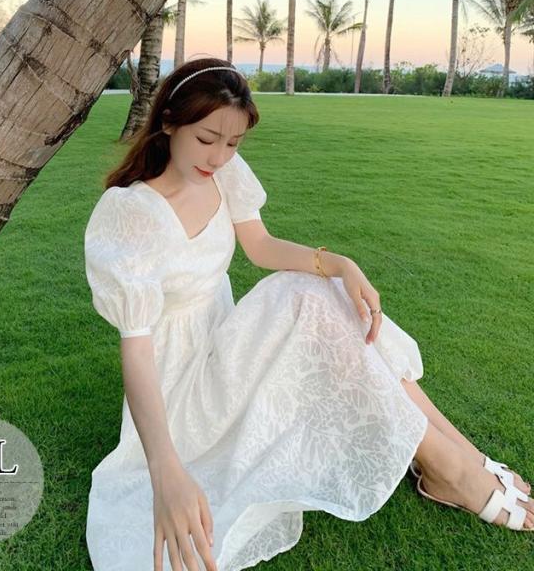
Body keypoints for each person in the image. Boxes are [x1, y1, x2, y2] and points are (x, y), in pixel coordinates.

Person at [84, 57, 534, 571]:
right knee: (307, 299)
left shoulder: (223, 174)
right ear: (168, 122)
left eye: (233, 143)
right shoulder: (130, 212)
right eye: (207, 139)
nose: (219, 156)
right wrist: (166, 471)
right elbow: (139, 351)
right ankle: (450, 468)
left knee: (323, 293)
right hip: (180, 387)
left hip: (222, 342)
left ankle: (458, 456)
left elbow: (259, 246)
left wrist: (339, 264)